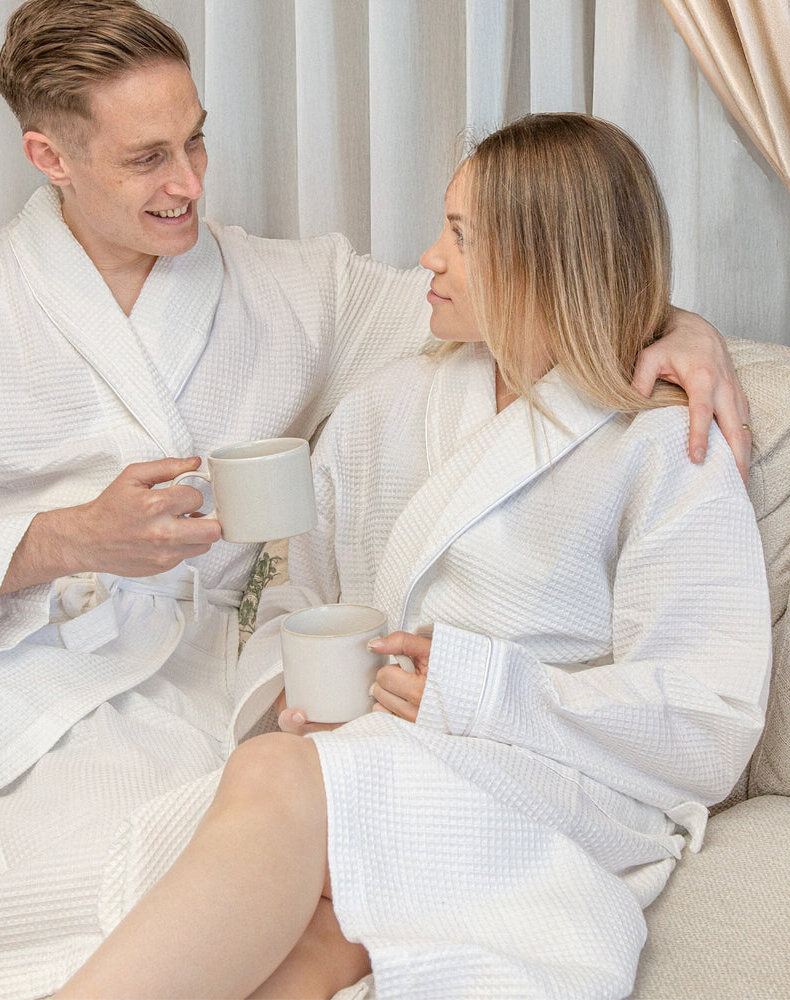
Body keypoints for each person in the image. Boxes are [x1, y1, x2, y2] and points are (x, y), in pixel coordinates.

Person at [0, 0, 751, 973]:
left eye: (196, 140)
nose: (188, 182)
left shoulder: (299, 291)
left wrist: (681, 329)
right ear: (50, 157)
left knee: (193, 894)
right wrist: (69, 538)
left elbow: (535, 294)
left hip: (171, 686)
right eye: (146, 158)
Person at [50, 114, 771, 1000]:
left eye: (460, 238)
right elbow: (298, 595)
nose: (428, 258)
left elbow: (707, 719)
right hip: (377, 753)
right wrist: (302, 695)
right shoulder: (386, 405)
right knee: (319, 929)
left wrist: (480, 688)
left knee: (273, 780)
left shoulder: (662, 444)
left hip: (552, 782)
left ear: (545, 261)